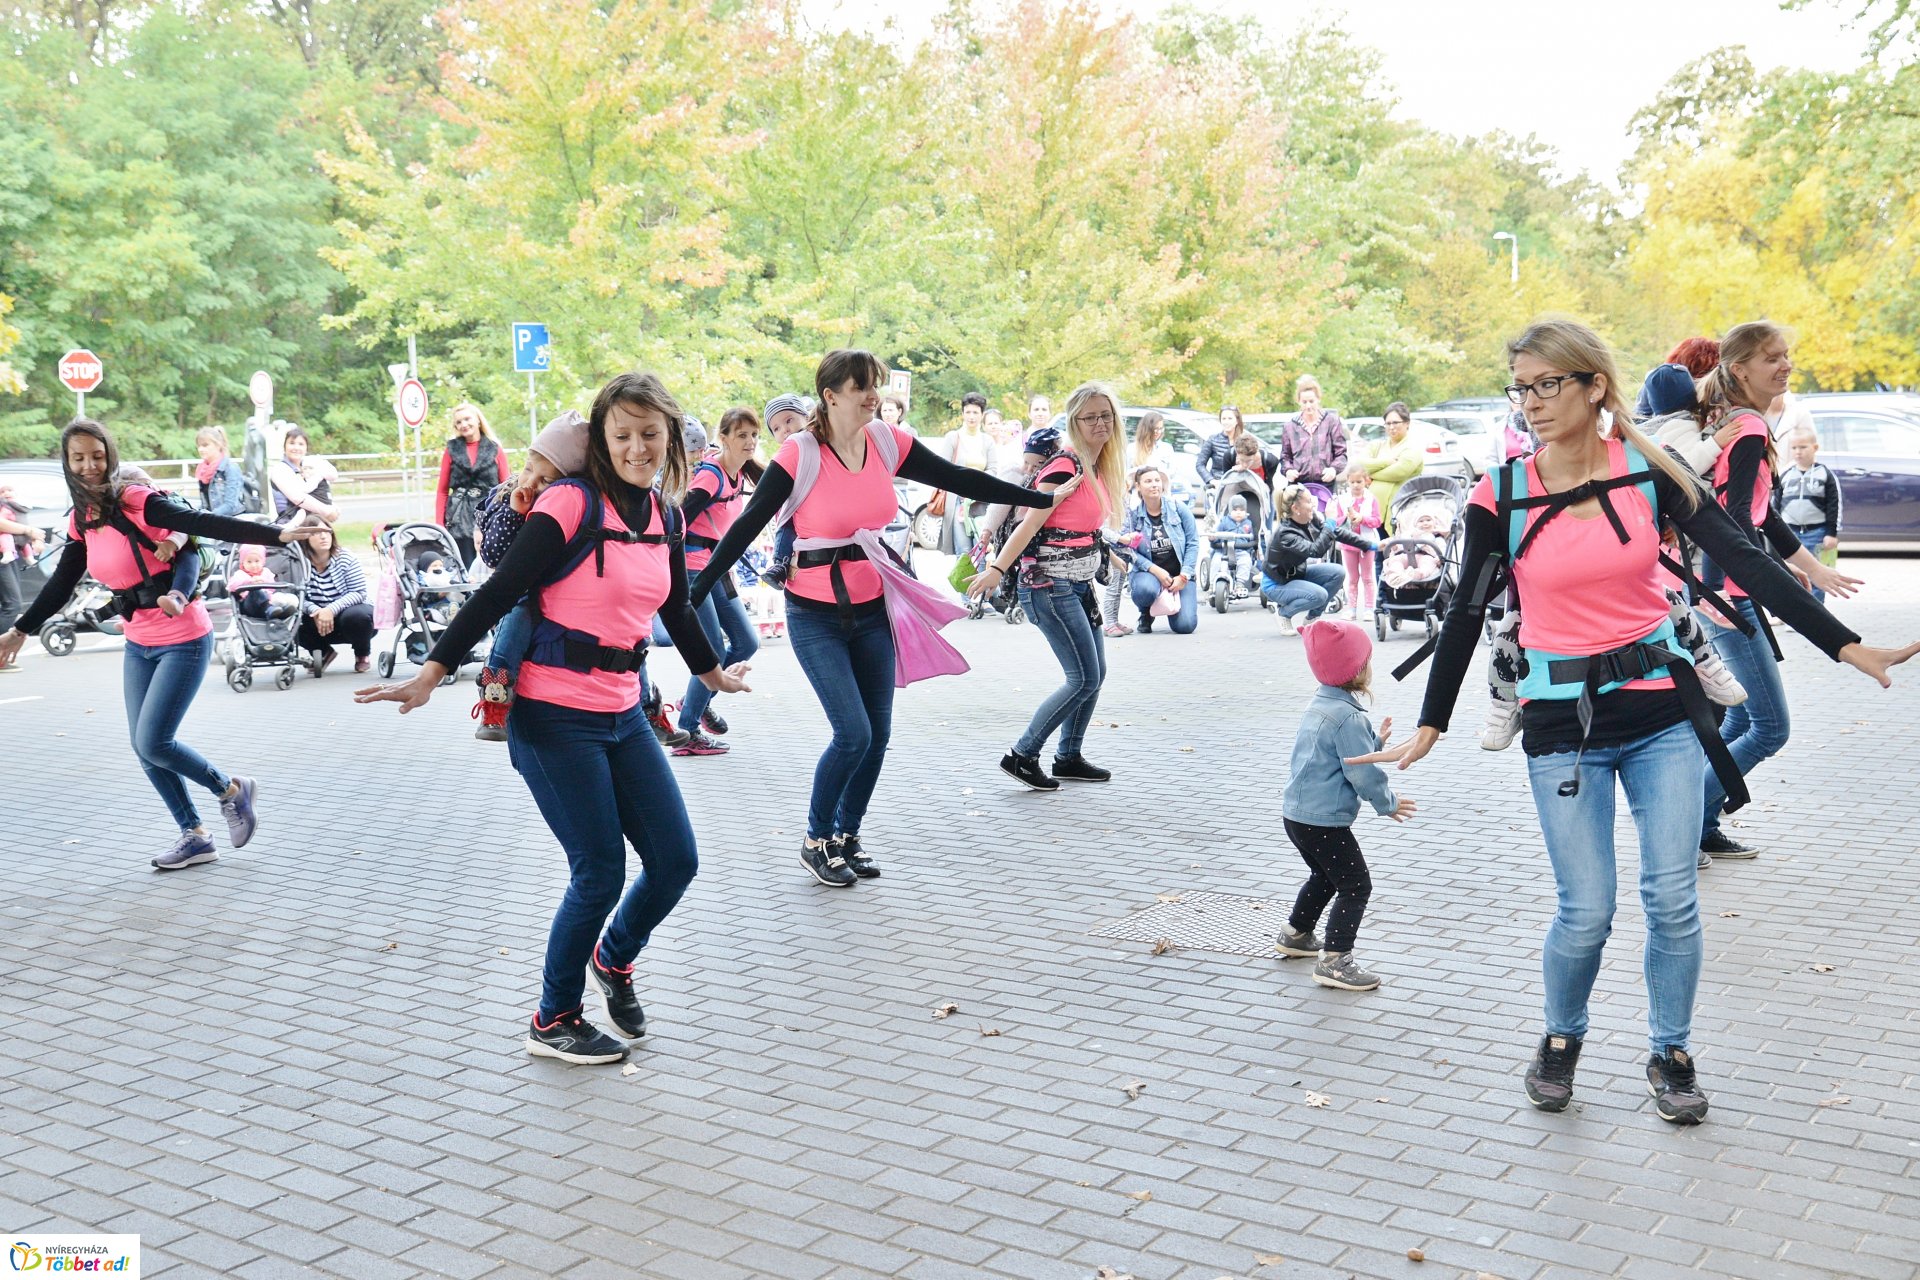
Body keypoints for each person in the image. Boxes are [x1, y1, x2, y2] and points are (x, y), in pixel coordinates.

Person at [1351, 317, 1915, 1125]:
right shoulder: (1499, 492)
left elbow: (1748, 554)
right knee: (1587, 909)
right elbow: (1467, 611)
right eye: (1522, 385)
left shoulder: (1651, 473)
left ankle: (1672, 1052)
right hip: (1558, 721)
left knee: (1673, 898)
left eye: (1549, 383)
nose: (1532, 401)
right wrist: (1432, 723)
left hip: (1662, 712)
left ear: (1592, 386)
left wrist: (1846, 644)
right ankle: (1560, 1038)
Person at [357, 372, 749, 1066]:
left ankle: (614, 957)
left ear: (668, 438)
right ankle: (553, 1018)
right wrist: (431, 672)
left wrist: (712, 672)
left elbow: (677, 610)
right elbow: (499, 590)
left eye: (649, 434)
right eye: (621, 434)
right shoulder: (570, 503)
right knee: (597, 870)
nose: (636, 448)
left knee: (675, 861)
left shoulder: (667, 516)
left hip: (623, 713)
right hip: (550, 715)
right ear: (600, 439)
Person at [694, 350, 1058, 886]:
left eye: (876, 386)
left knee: (878, 733)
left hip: (872, 609)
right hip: (814, 614)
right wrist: (694, 590)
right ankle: (817, 839)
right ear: (830, 394)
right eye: (861, 386)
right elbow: (746, 525)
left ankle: (848, 836)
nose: (873, 396)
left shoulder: (887, 442)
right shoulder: (800, 453)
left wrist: (1033, 498)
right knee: (853, 734)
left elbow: (959, 478)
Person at [0, 419, 326, 868]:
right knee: (144, 745)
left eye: (97, 455)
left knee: (154, 741)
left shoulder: (136, 500)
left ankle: (231, 790)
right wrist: (20, 629)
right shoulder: (83, 518)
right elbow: (61, 583)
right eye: (79, 458)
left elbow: (199, 524)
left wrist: (277, 535)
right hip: (139, 643)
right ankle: (195, 835)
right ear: (68, 463)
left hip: (184, 639)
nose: (90, 466)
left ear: (110, 455)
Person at [1695, 322, 1860, 863]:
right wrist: (1746, 584)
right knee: (1770, 728)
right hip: (1727, 598)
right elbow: (1734, 517)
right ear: (1740, 368)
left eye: (1787, 354)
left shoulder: (1748, 424)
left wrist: (1812, 567)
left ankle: (1699, 823)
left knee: (1743, 719)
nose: (1785, 365)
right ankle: (1683, 820)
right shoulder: (1745, 429)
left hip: (1731, 593)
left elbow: (1765, 517)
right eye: (1772, 357)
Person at [971, 380, 1118, 791]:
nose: (1100, 423)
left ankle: (1068, 757)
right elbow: (1029, 523)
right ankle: (1022, 755)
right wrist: (997, 570)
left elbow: (1080, 528)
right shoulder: (1063, 467)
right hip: (1048, 586)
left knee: (1096, 673)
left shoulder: (1097, 466)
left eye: (1106, 415)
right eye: (1090, 417)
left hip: (1077, 584)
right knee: (1082, 678)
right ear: (1074, 421)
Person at [1276, 618, 1416, 992]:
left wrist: (1375, 740)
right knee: (1356, 884)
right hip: (1323, 822)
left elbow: (1340, 753)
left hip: (1297, 816)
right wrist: (1389, 804)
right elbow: (1362, 773)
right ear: (1358, 668)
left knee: (1325, 876)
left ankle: (1296, 933)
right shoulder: (1349, 717)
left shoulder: (1322, 705)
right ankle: (1336, 961)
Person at [471, 410, 586, 742]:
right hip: (522, 590)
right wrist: (515, 514)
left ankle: (647, 705)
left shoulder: (574, 505)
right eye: (528, 469)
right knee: (517, 622)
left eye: (547, 480)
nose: (531, 483)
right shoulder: (509, 498)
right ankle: (495, 699)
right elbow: (493, 556)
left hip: (564, 591)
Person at [673, 407, 762, 754]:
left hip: (717, 567)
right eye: (742, 435)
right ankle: (687, 731)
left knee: (745, 642)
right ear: (722, 438)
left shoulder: (740, 474)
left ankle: (696, 700)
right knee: (711, 651)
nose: (750, 442)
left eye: (754, 435)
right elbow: (678, 520)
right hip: (695, 570)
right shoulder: (711, 476)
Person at [1262, 484, 1373, 633]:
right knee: (1319, 595)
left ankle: (1311, 620)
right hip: (1276, 585)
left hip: (1295, 575)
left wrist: (1371, 545)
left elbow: (1336, 532)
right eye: (1309, 501)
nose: (1313, 504)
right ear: (1295, 508)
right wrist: (1331, 521)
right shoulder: (1285, 534)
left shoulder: (1309, 517)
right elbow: (1315, 551)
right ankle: (1283, 613)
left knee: (1338, 572)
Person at [1119, 463, 1197, 635]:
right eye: (1148, 481)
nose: (1154, 484)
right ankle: (1146, 612)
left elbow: (1193, 543)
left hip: (1180, 575)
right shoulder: (1133, 517)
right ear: (1138, 486)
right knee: (1145, 590)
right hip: (1149, 574)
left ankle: (1173, 600)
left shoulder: (1179, 509)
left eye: (1157, 480)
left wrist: (1184, 575)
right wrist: (1154, 570)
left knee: (1185, 626)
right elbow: (1127, 550)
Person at [434, 404, 509, 568]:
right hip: (458, 517)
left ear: (478, 420)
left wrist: (506, 518)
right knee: (463, 567)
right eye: (459, 422)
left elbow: (507, 488)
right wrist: (440, 526)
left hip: (488, 513)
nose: (464, 424)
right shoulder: (451, 449)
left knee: (492, 566)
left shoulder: (495, 448)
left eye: (467, 419)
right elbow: (442, 491)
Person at [1776, 426, 1842, 603]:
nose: (1798, 452)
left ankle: (1817, 613)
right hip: (1789, 533)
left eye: (1803, 447)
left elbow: (1834, 505)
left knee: (1818, 574)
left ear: (1815, 448)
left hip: (1817, 534)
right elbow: (1775, 505)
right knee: (1789, 574)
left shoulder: (1825, 474)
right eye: (1794, 448)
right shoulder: (1785, 474)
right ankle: (1790, 614)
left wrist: (1831, 533)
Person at [298, 524, 374, 674]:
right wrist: (316, 610)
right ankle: (323, 652)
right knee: (289, 619)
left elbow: (359, 592)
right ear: (305, 537)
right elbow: (295, 595)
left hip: (347, 614)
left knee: (358, 616)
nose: (324, 536)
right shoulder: (298, 562)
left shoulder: (346, 557)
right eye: (316, 533)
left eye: (327, 531)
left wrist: (331, 609)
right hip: (316, 616)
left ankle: (362, 653)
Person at [937, 392, 994, 556]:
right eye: (968, 412)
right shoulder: (953, 438)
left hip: (981, 502)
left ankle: (979, 583)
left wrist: (978, 482)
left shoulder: (987, 441)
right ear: (962, 414)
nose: (971, 416)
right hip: (958, 501)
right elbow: (942, 468)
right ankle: (962, 583)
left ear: (982, 415)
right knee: (963, 551)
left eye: (976, 412)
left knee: (981, 550)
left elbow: (994, 469)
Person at [1278, 376, 1349, 501]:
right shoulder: (1290, 426)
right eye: (1304, 402)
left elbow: (1341, 453)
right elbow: (1285, 457)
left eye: (1311, 401)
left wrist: (1333, 469)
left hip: (1325, 483)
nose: (1308, 406)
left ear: (1318, 399)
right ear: (1298, 401)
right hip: (1298, 486)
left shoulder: (1331, 421)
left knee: (1326, 519)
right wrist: (1288, 470)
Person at [1328, 465, 1382, 619]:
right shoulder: (1343, 499)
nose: (1356, 485)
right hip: (1348, 544)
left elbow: (1377, 520)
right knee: (1352, 578)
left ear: (1366, 481)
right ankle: (1351, 608)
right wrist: (1346, 517)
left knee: (1367, 577)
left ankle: (1369, 608)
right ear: (1348, 482)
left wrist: (1362, 519)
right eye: (1353, 482)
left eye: (1359, 481)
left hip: (1367, 543)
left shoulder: (1371, 499)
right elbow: (1336, 520)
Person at [1361, 403, 1422, 533]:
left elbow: (1399, 472)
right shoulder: (1377, 446)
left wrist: (1371, 474)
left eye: (1395, 422)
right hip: (1373, 511)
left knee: (1395, 551)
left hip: (1400, 511)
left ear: (1407, 423)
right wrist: (1386, 462)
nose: (1391, 427)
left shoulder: (1412, 448)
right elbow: (1361, 464)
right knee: (1375, 551)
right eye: (1388, 423)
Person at [0, 484, 46, 653]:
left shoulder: (12, 504)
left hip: (9, 555)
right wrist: (30, 531)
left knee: (11, 604)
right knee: (12, 604)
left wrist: (34, 537)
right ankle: (1, 651)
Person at [270, 427, 340, 525]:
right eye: (292, 443)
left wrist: (332, 507)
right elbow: (297, 498)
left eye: (301, 444)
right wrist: (327, 511)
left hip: (315, 521)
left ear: (306, 448)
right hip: (291, 523)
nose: (296, 448)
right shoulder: (279, 469)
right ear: (284, 446)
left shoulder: (310, 466)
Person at [226, 547, 298, 619]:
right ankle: (270, 609)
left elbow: (272, 588)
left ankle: (282, 612)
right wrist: (249, 581)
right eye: (249, 562)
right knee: (255, 589)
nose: (253, 565)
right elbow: (230, 586)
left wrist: (264, 581)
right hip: (250, 606)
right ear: (243, 563)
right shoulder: (240, 574)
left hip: (268, 602)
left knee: (279, 597)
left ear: (263, 562)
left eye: (257, 561)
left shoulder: (266, 572)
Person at [195, 426, 249, 517]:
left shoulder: (230, 468)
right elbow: (205, 504)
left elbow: (230, 505)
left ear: (218, 445)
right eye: (199, 446)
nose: (200, 449)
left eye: (205, 445)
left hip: (231, 521)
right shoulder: (202, 471)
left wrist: (206, 517)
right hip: (212, 520)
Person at [1196, 406, 1249, 486]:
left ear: (1237, 420)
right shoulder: (1213, 439)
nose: (1226, 422)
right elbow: (1200, 464)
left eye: (1230, 418)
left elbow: (1254, 461)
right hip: (1218, 484)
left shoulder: (1245, 440)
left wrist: (1244, 466)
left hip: (1240, 484)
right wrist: (1211, 480)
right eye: (1224, 419)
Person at [1127, 411, 1176, 479]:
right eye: (1155, 429)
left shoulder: (1167, 448)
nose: (1158, 432)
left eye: (1160, 428)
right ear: (1147, 429)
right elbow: (1126, 473)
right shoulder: (1132, 448)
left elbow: (1172, 472)